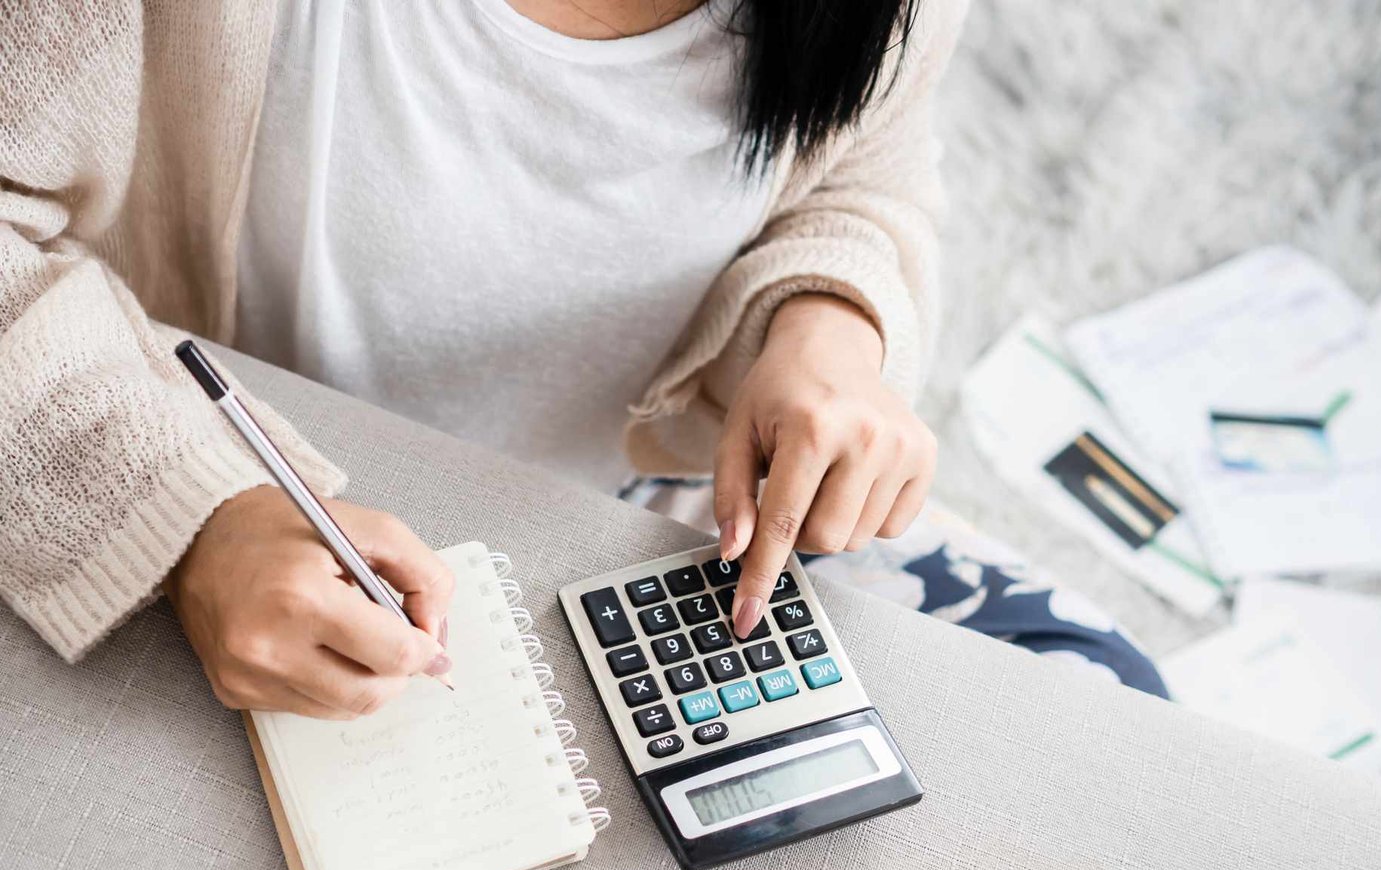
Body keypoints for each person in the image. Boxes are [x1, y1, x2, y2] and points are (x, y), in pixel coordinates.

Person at [1, 0, 1162, 721]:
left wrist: (828, 326)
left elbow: (868, 168)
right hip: (210, 476)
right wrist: (194, 517)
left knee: (1102, 701)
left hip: (636, 495)